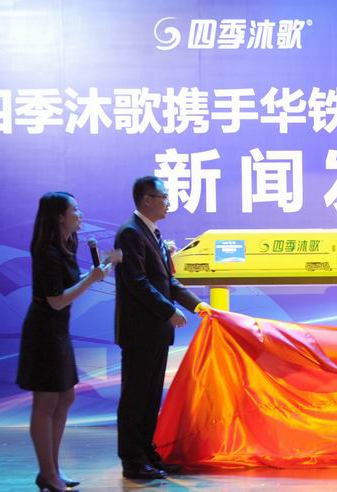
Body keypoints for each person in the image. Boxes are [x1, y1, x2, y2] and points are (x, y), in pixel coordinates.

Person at [16, 192, 115, 492]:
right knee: (46, 402)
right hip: (43, 332)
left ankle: (53, 471)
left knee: (66, 397)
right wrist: (91, 279)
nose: (80, 214)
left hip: (57, 331)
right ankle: (48, 474)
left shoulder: (66, 245)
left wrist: (95, 273)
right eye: (75, 209)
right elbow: (56, 300)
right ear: (59, 216)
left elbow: (68, 287)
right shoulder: (46, 251)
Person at [114, 176, 211, 480]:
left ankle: (148, 455)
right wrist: (169, 310)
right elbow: (137, 282)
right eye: (164, 197)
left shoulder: (152, 233)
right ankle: (132, 461)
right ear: (147, 200)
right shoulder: (130, 233)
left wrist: (199, 306)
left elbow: (169, 281)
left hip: (156, 332)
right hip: (140, 331)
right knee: (135, 397)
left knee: (150, 398)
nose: (169, 203)